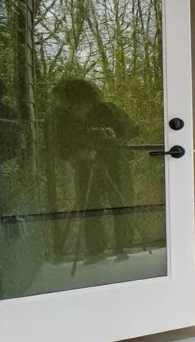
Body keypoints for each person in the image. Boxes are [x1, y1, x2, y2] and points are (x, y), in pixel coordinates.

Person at [51, 78, 137, 263]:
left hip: (115, 165)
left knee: (120, 205)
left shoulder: (108, 110)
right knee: (90, 208)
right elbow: (58, 146)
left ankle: (124, 247)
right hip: (85, 169)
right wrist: (76, 154)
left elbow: (132, 130)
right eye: (73, 103)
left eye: (82, 102)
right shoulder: (63, 119)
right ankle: (95, 250)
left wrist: (115, 137)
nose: (78, 107)